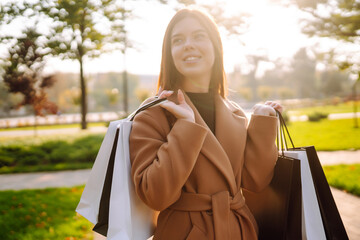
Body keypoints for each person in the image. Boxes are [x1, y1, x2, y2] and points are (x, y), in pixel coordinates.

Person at [129, 8, 283, 240]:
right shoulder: (154, 113)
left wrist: (263, 122)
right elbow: (155, 195)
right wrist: (186, 127)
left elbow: (256, 182)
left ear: (216, 47)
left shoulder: (235, 112)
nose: (188, 45)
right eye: (178, 40)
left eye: (199, 36)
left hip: (239, 230)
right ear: (169, 53)